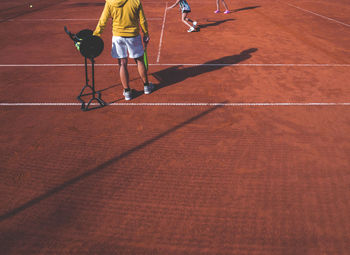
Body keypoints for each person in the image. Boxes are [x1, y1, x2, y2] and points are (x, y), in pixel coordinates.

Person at [93, 0, 153, 101]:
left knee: (122, 63)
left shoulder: (110, 2)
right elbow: (142, 20)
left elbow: (103, 21)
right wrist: (146, 33)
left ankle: (127, 92)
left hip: (118, 36)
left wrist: (95, 35)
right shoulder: (135, 1)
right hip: (133, 36)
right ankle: (146, 86)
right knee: (139, 60)